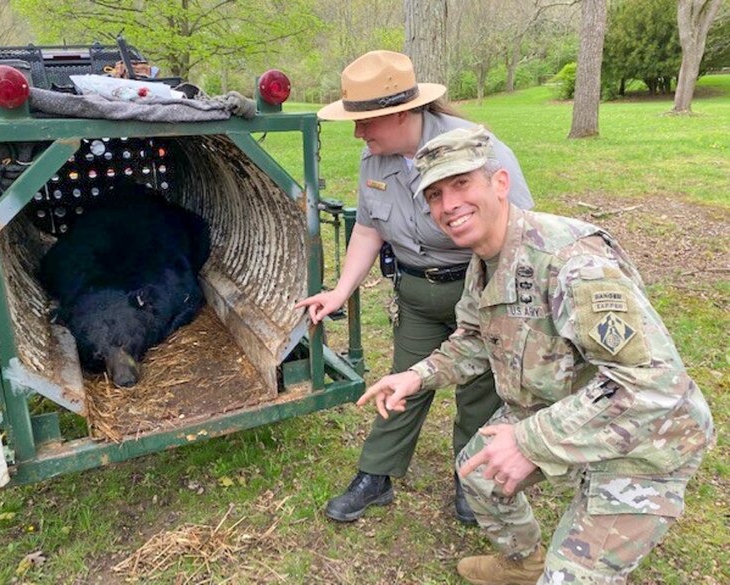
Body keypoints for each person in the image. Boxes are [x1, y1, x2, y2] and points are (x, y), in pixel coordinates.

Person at [358, 127, 714, 584]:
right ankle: (522, 562)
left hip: (644, 444)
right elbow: (474, 339)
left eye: (462, 184)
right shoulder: (485, 259)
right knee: (479, 472)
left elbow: (649, 384)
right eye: (435, 195)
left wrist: (529, 441)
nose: (448, 205)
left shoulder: (572, 261)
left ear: (500, 184)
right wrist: (415, 377)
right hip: (563, 410)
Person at [296, 50, 534, 524]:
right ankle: (375, 475)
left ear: (401, 113)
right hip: (417, 294)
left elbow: (520, 231)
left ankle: (471, 478)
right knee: (403, 381)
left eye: (365, 122)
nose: (359, 133)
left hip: (477, 291)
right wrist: (340, 291)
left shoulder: (475, 151)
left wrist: (505, 303)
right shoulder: (375, 161)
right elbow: (368, 228)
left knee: (479, 390)